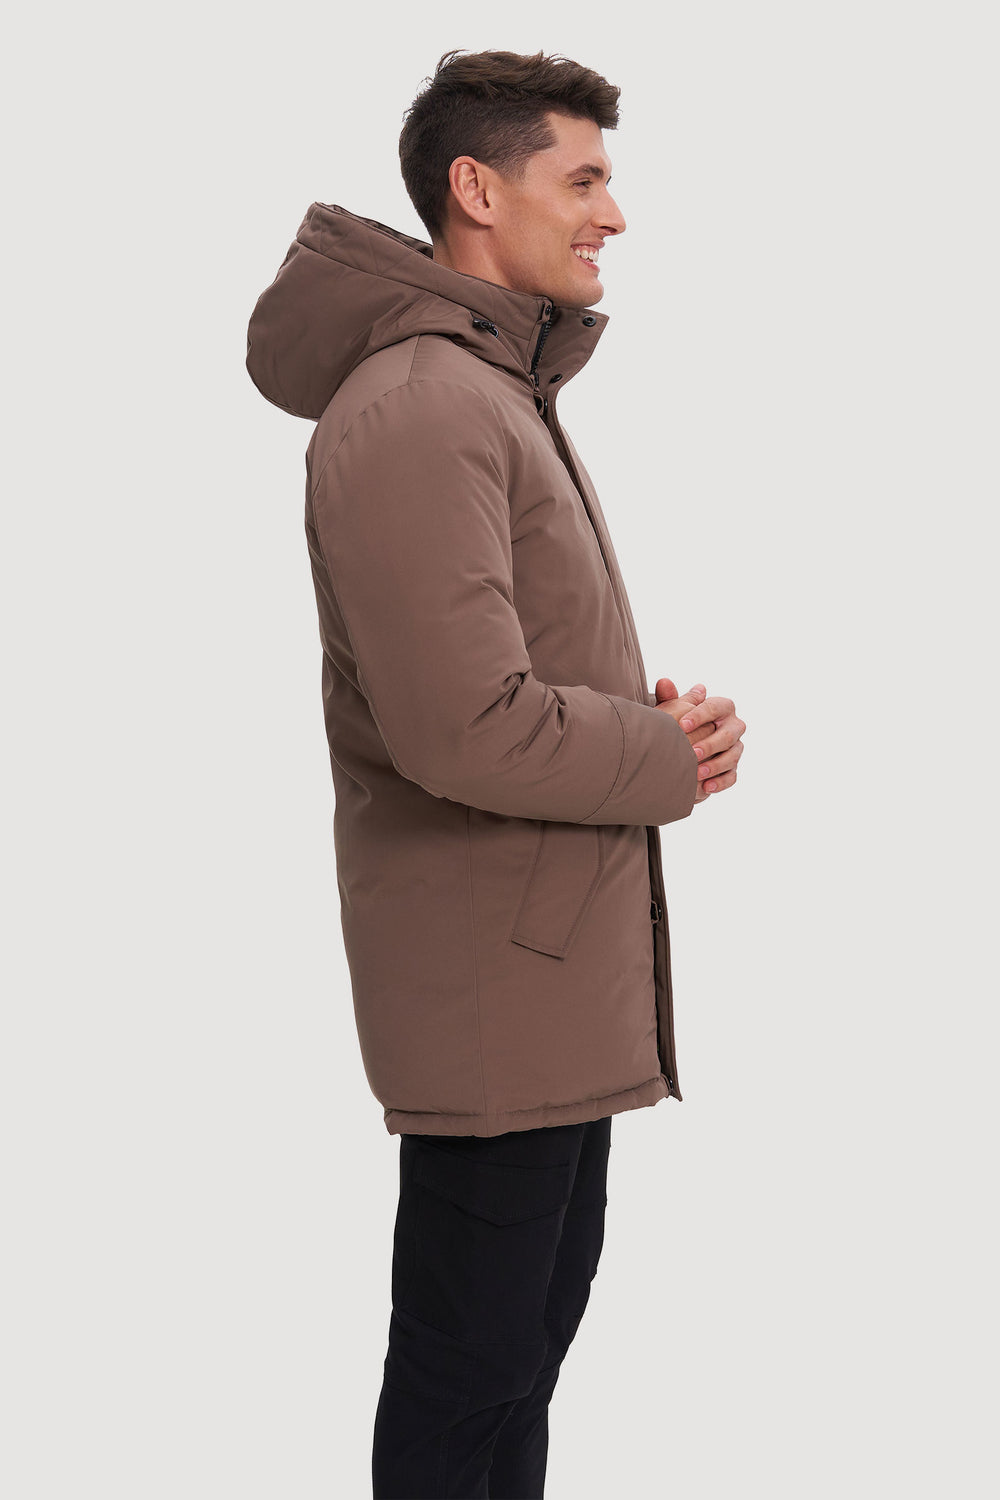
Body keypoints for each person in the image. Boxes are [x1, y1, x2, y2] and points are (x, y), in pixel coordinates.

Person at [246, 47, 745, 1500]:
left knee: (509, 1381)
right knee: (467, 1394)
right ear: (477, 188)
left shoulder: (488, 392)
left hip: (542, 986)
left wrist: (652, 731)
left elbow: (507, 685)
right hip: (494, 999)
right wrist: (659, 755)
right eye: (582, 180)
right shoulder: (424, 405)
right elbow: (461, 725)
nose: (614, 214)